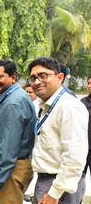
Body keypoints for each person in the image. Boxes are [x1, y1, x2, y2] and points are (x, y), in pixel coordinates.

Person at [29, 57, 88, 203]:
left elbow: (74, 156)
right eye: (33, 77)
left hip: (58, 186)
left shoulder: (68, 106)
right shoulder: (46, 105)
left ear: (59, 77)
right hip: (47, 181)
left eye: (43, 76)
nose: (37, 82)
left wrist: (54, 193)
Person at [0, 59, 37, 204]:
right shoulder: (14, 97)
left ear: (13, 77)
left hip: (10, 171)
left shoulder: (12, 104)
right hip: (11, 169)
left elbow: (9, 152)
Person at [83, 76, 91, 193]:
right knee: (77, 179)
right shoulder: (82, 103)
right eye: (88, 83)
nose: (89, 86)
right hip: (83, 148)